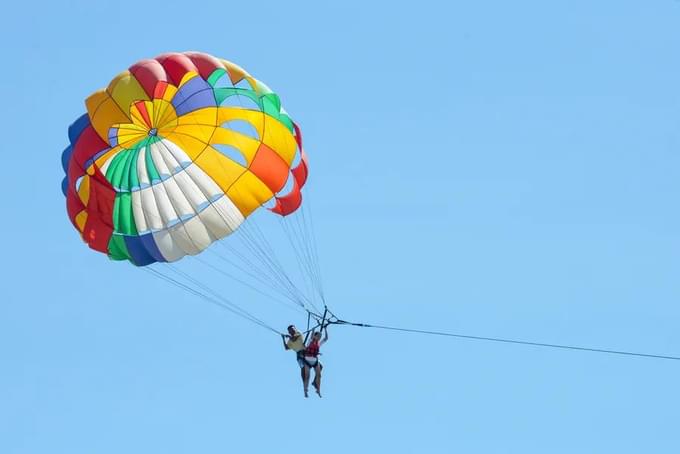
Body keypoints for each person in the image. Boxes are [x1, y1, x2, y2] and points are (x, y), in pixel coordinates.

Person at [282, 325, 309, 394]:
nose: (292, 331)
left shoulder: (298, 333)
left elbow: (294, 339)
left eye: (293, 329)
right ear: (289, 332)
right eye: (291, 330)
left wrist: (288, 337)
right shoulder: (290, 340)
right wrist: (283, 339)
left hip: (304, 352)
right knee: (303, 369)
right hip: (299, 355)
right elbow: (286, 348)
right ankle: (304, 385)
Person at [302, 327, 328, 398]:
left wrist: (325, 329)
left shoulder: (318, 344)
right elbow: (311, 336)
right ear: (314, 336)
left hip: (315, 361)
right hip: (307, 361)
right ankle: (305, 391)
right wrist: (313, 330)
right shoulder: (310, 341)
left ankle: (318, 390)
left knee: (319, 375)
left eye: (320, 336)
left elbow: (326, 338)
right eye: (318, 336)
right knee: (307, 376)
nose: (319, 337)